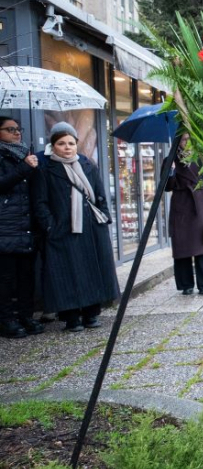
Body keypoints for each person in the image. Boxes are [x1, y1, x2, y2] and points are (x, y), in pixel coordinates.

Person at [33, 122, 119, 332]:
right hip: (63, 229)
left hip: (91, 227)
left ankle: (91, 314)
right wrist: (50, 226)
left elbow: (100, 195)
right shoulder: (45, 169)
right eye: (61, 143)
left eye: (71, 143)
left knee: (92, 269)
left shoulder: (88, 165)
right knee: (66, 274)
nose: (67, 147)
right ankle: (72, 318)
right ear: (53, 146)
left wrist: (105, 216)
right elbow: (40, 202)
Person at [0, 116, 44, 338]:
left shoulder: (26, 154)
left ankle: (26, 317)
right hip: (6, 227)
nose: (17, 133)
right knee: (6, 279)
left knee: (26, 277)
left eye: (19, 129)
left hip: (26, 226)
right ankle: (7, 321)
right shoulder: (7, 158)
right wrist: (24, 169)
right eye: (10, 129)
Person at [165, 134, 203, 295]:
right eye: (183, 139)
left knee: (201, 243)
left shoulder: (201, 158)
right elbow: (166, 186)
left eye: (189, 139)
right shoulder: (170, 159)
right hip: (181, 204)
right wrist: (170, 171)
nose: (186, 142)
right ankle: (186, 284)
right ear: (178, 141)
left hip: (199, 204)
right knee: (181, 245)